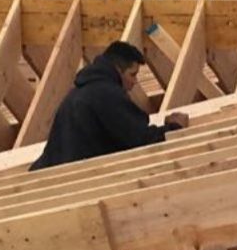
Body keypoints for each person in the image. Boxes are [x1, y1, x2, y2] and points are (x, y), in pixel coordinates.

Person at [30, 41, 188, 170]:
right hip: (73, 181)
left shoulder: (81, 91)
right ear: (118, 70)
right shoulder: (106, 95)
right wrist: (174, 129)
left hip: (52, 172)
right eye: (132, 75)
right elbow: (139, 139)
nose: (135, 81)